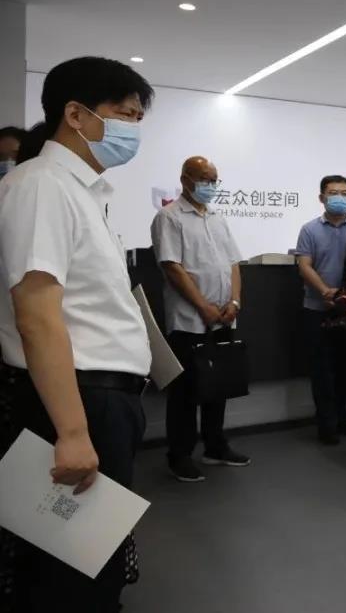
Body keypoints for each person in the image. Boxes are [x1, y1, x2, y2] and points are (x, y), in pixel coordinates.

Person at [0, 56, 153, 611]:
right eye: (125, 114)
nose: (133, 129)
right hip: (77, 399)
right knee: (70, 570)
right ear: (76, 114)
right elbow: (37, 314)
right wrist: (71, 431)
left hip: (102, 398)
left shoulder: (82, 191)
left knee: (91, 559)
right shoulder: (42, 186)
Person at [151, 156, 251, 482]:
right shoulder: (169, 217)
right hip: (189, 320)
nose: (210, 185)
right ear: (186, 179)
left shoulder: (218, 218)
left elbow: (233, 263)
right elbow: (172, 267)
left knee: (217, 386)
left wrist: (234, 301)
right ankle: (179, 455)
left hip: (223, 317)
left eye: (214, 179)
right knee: (185, 392)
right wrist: (203, 307)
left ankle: (215, 446)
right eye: (204, 179)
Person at [296, 176, 346, 445]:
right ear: (322, 198)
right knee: (322, 370)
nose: (339, 198)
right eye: (333, 193)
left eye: (344, 193)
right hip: (316, 308)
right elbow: (304, 265)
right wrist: (325, 291)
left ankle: (345, 417)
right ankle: (327, 423)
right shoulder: (309, 229)